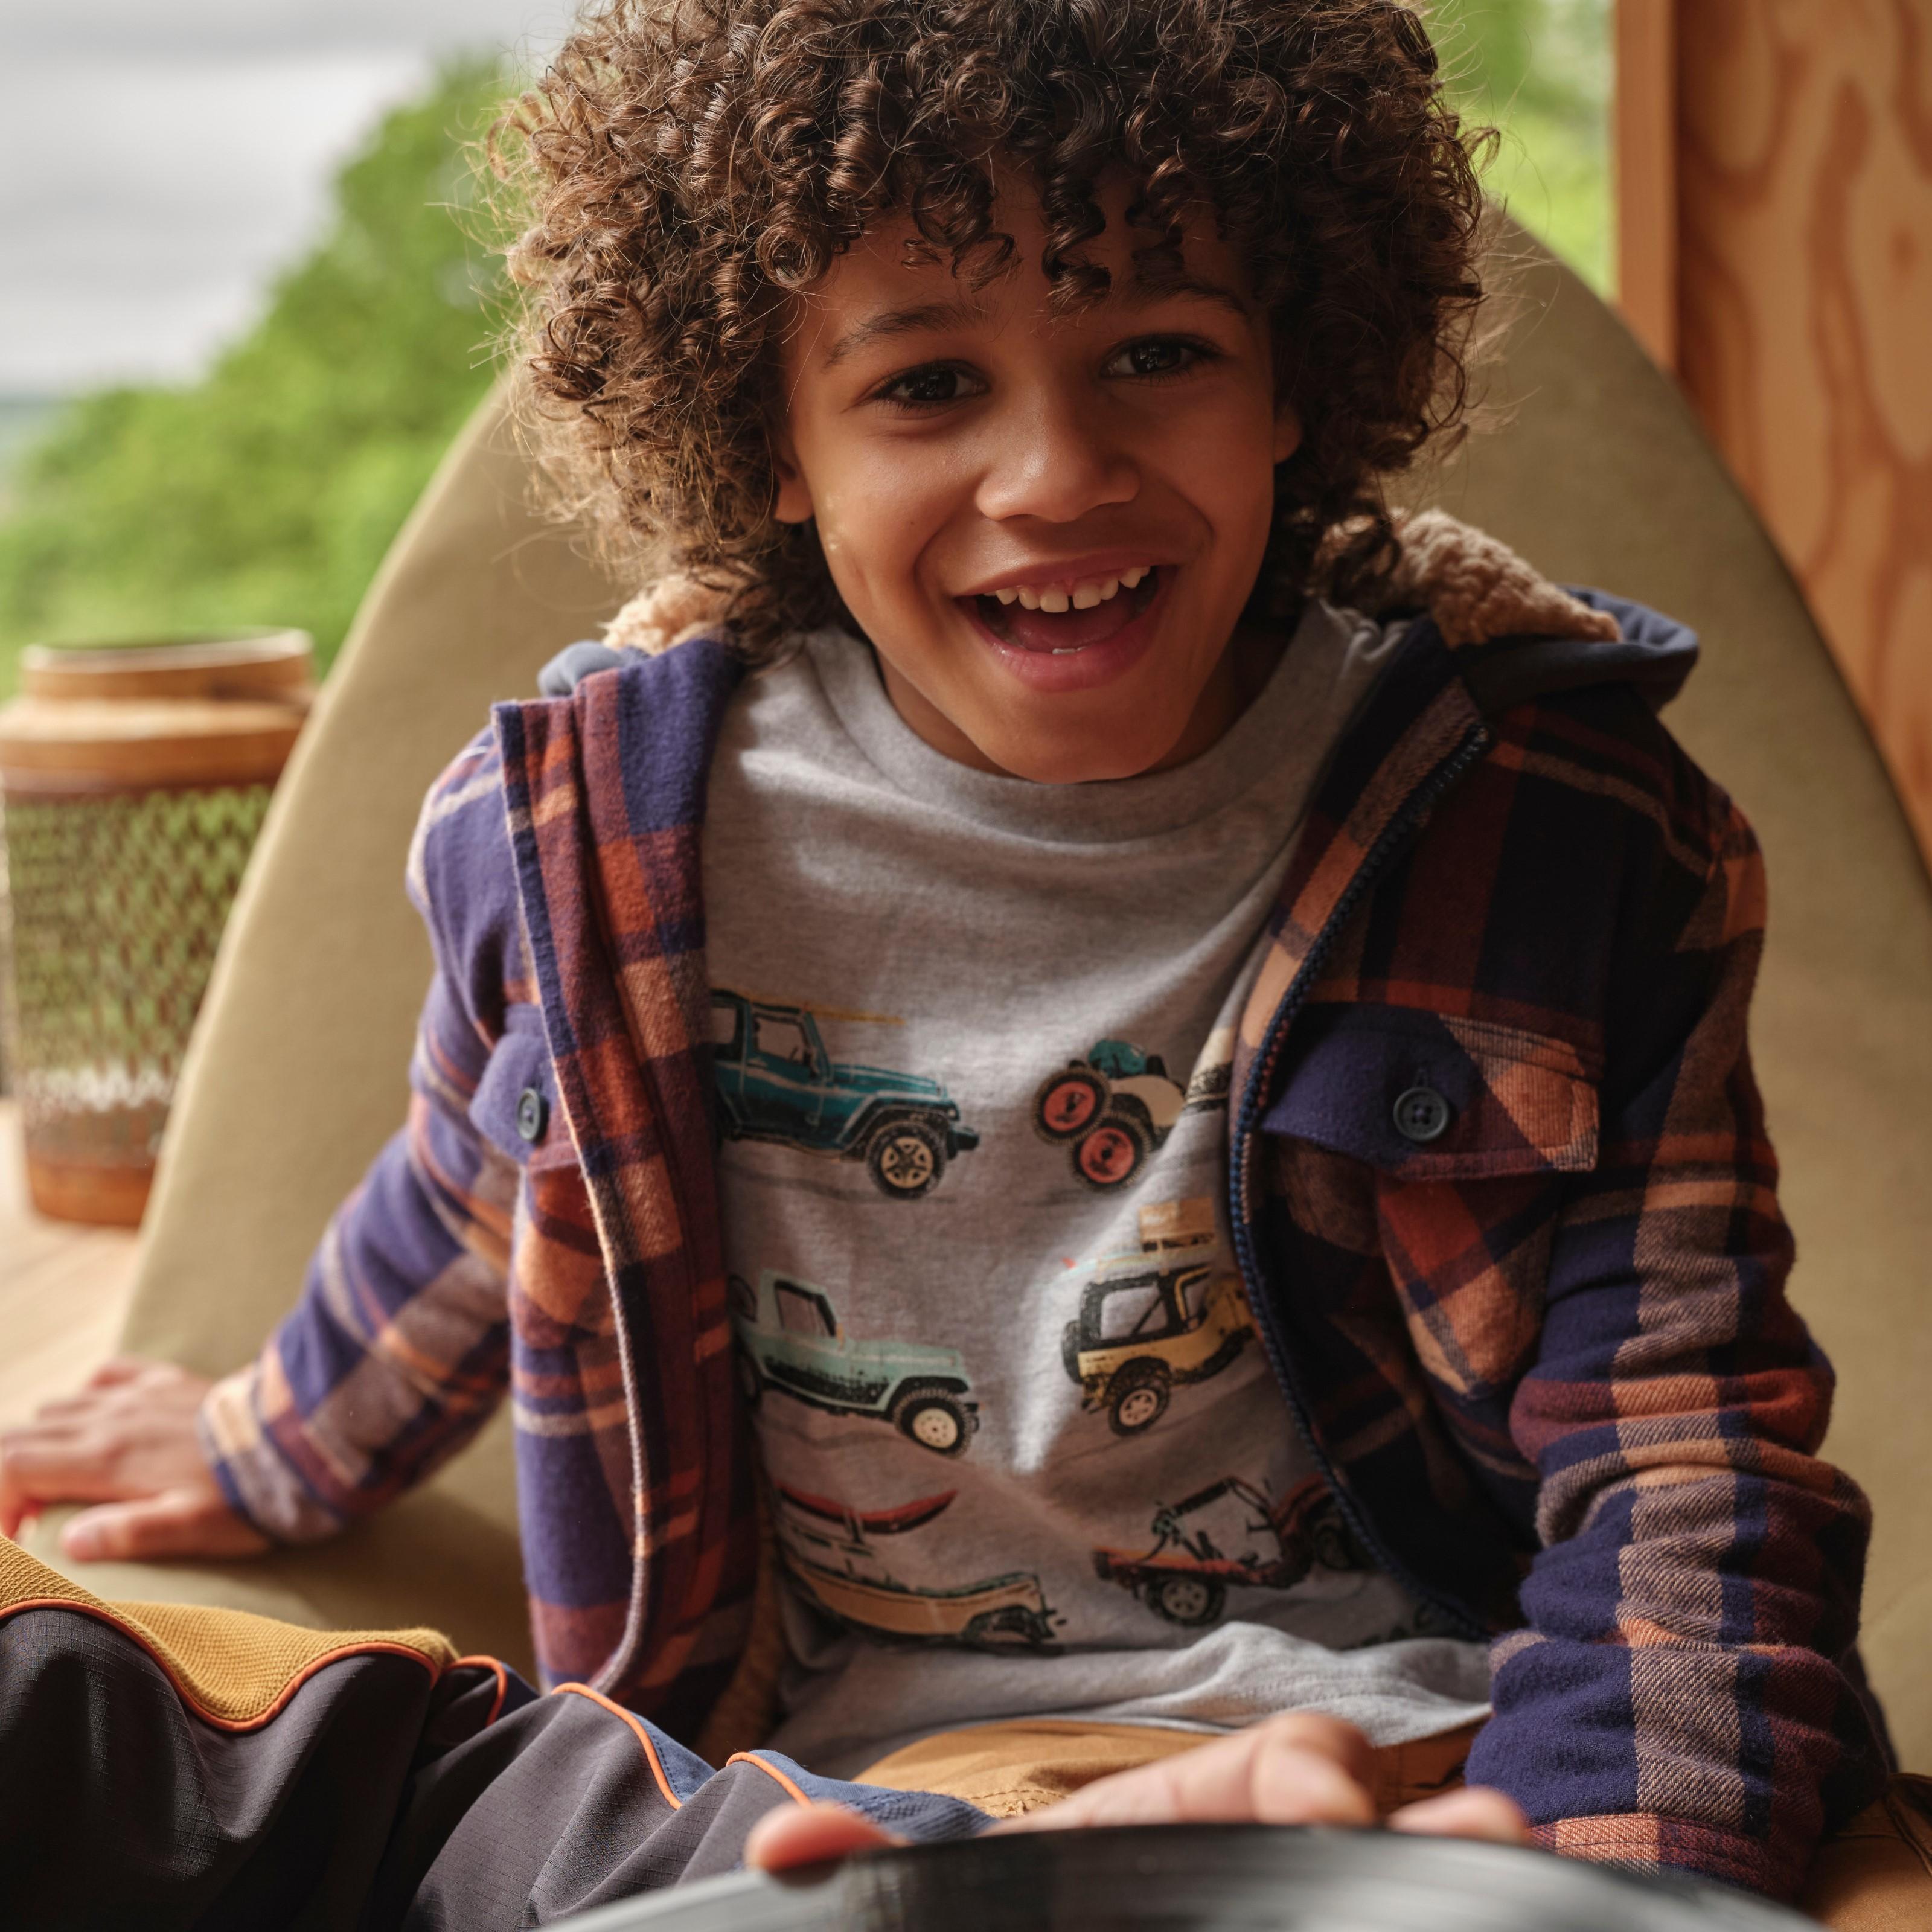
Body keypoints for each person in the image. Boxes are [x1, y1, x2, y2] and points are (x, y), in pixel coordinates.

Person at [1, 0, 1916, 1923]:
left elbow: (1689, 1463)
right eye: (926, 386)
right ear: (771, 434)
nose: (1053, 473)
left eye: (1157, 353)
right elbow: (476, 1190)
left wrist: (1627, 1884)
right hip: (871, 1808)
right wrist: (260, 1443)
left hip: (1432, 1776)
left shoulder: (1564, 836)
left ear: (1295, 387)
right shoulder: (590, 855)